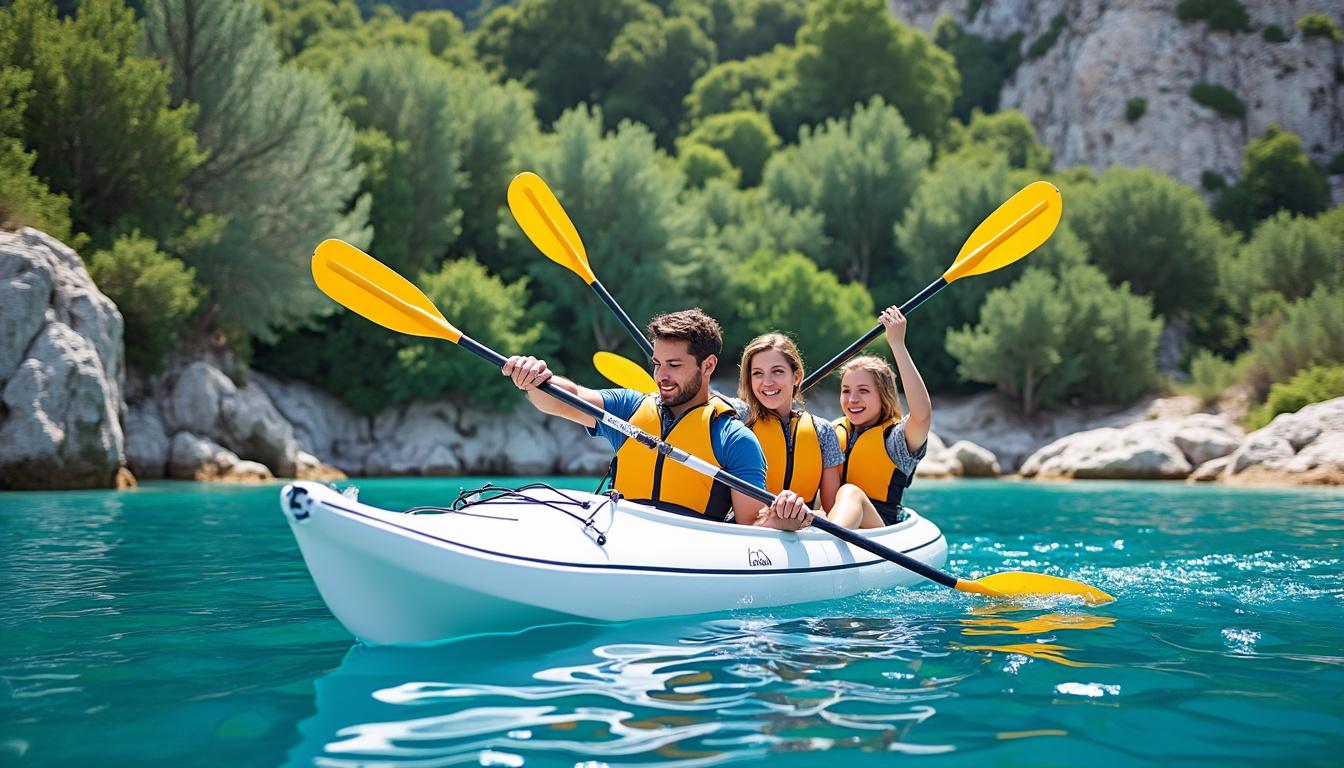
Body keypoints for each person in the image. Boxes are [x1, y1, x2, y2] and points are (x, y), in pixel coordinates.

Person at [502, 308, 812, 531]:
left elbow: (751, 528)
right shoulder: (629, 408)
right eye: (657, 363)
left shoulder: (734, 439)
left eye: (674, 365)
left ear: (708, 366)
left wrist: (781, 518)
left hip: (687, 556)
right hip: (616, 538)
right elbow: (564, 400)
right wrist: (537, 380)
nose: (661, 376)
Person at [826, 306, 932, 529]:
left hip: (878, 526)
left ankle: (829, 538)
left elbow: (922, 416)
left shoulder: (895, 440)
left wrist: (897, 344)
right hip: (830, 515)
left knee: (850, 492)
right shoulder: (830, 432)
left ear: (883, 396)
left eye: (863, 391)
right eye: (846, 391)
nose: (852, 399)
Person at [733, 333, 844, 525]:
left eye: (777, 371)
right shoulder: (738, 418)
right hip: (752, 529)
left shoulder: (824, 432)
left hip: (802, 527)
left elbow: (831, 511)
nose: (767, 382)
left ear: (797, 376)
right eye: (757, 373)